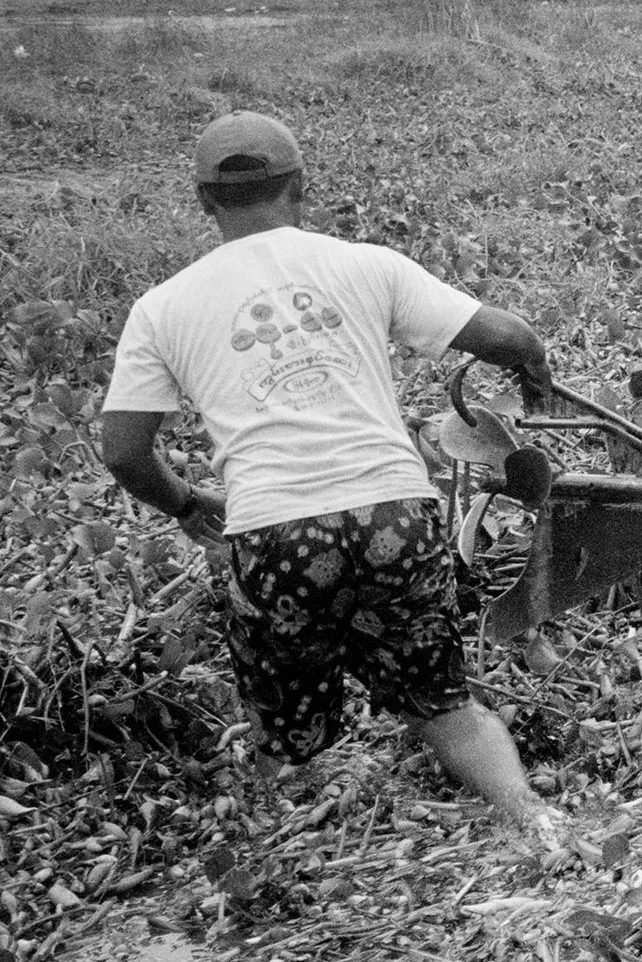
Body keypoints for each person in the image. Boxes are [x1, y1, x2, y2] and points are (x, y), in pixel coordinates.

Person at [99, 113, 564, 835]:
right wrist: (533, 370)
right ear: (302, 186)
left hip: (277, 535)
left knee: (285, 738)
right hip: (394, 516)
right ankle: (535, 821)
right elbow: (509, 337)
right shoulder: (367, 265)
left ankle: (298, 843)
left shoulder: (161, 308)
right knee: (448, 708)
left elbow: (125, 451)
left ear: (203, 200)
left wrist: (186, 503)